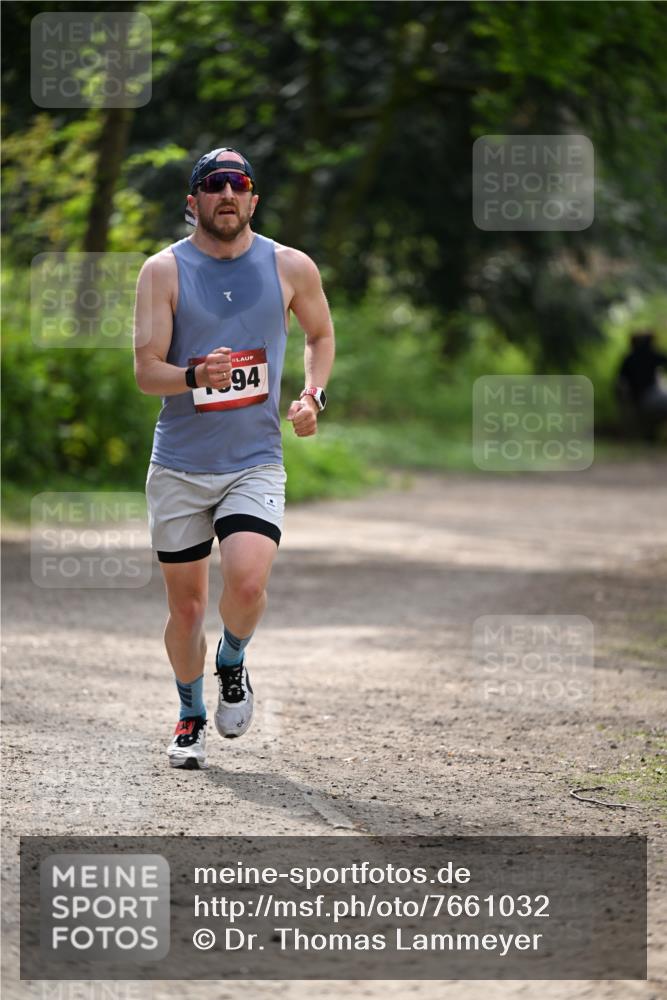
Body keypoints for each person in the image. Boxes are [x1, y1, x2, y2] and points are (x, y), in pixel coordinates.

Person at [133, 147, 335, 769]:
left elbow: (320, 335)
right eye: (213, 185)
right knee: (187, 607)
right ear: (192, 201)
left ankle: (233, 660)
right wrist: (195, 375)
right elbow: (146, 372)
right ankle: (189, 714)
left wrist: (311, 396)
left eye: (238, 184)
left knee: (247, 583)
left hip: (255, 459)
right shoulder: (162, 271)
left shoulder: (290, 266)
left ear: (253, 200)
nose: (227, 193)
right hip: (179, 466)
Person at [616, 330, 667, 440]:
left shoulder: (628, 359)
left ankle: (650, 435)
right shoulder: (650, 355)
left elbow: (619, 383)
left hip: (640, 400)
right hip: (649, 398)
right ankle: (650, 435)